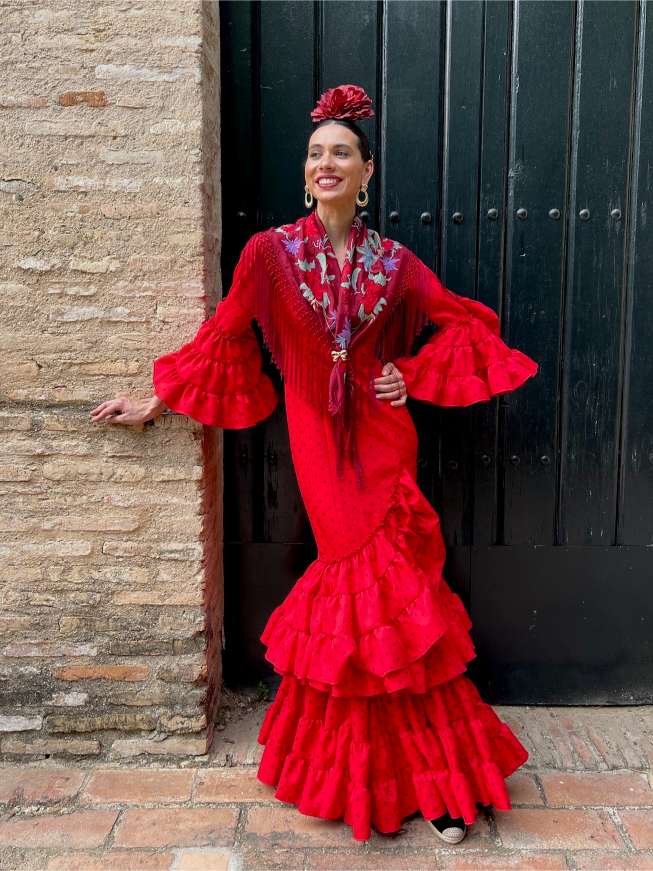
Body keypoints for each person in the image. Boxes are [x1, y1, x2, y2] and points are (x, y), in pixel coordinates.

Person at [91, 84, 539, 844]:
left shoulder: (395, 263)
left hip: (384, 442)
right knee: (367, 601)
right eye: (315, 153)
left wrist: (416, 376)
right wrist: (159, 398)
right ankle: (409, 778)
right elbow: (225, 334)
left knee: (402, 607)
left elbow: (462, 323)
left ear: (366, 171)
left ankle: (432, 782)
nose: (325, 162)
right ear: (306, 172)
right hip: (320, 455)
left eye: (341, 152)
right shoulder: (268, 253)